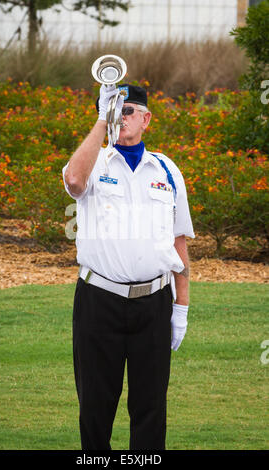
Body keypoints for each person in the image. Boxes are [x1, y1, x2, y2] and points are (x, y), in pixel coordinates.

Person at [62, 83, 195, 450]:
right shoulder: (93, 161)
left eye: (129, 109)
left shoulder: (167, 170)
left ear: (147, 118)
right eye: (116, 110)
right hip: (98, 302)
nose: (123, 116)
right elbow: (74, 181)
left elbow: (178, 241)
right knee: (95, 406)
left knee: (151, 407)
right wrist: (102, 119)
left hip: (153, 303)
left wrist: (181, 306)